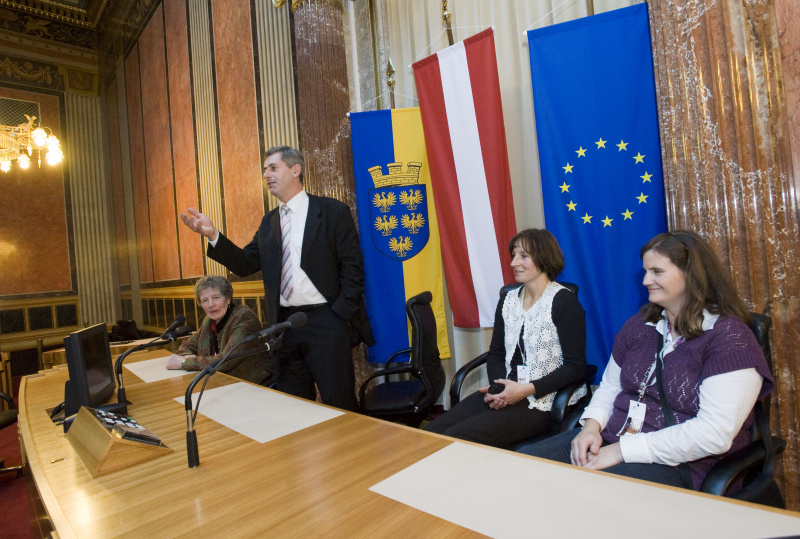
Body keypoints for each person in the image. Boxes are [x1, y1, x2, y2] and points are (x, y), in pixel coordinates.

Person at [518, 230, 775, 490]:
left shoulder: (729, 338)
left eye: (657, 271)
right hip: (611, 441)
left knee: (582, 498)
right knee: (522, 468)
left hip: (680, 464)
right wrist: (590, 428)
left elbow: (713, 435)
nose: (645, 280)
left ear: (692, 274)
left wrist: (621, 451)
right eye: (645, 271)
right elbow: (609, 388)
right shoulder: (640, 325)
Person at [179, 146, 373, 411]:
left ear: (296, 169)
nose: (266, 174)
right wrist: (213, 236)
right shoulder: (269, 222)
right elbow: (246, 264)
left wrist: (339, 315)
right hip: (284, 327)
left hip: (327, 322)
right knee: (293, 405)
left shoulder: (332, 212)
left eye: (273, 167)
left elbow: (353, 269)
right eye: (264, 170)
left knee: (339, 402)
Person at [424, 228, 587, 448]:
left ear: (544, 258)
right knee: (429, 434)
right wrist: (500, 388)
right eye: (513, 255)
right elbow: (497, 353)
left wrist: (524, 390)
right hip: (507, 390)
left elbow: (575, 367)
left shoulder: (564, 302)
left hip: (543, 400)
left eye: (523, 256)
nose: (513, 263)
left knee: (458, 438)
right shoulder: (508, 300)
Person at [166, 276, 273, 385]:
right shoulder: (208, 321)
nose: (211, 305)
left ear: (228, 298)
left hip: (251, 384)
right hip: (219, 381)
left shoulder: (244, 318)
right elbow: (187, 346)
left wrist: (185, 362)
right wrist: (189, 357)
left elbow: (226, 361)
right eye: (205, 300)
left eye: (216, 297)